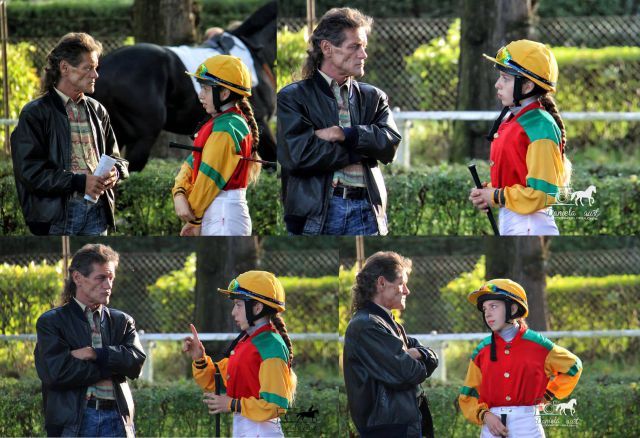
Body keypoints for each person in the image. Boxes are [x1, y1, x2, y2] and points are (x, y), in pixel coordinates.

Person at [277, 8, 401, 236]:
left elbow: (389, 145)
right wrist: (362, 149)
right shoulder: (292, 97)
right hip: (316, 214)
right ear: (327, 48)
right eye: (354, 46)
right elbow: (298, 156)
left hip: (368, 211)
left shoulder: (374, 97)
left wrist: (343, 134)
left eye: (364, 46)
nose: (363, 54)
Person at [11, 32, 128, 236]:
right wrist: (79, 182)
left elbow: (118, 159)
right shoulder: (35, 113)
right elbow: (30, 172)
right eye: (88, 68)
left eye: (96, 68)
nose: (95, 75)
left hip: (98, 213)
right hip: (58, 217)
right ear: (64, 68)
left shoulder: (98, 110)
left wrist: (115, 173)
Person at [34, 244, 146, 437]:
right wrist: (111, 366)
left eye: (111, 278)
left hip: (118, 420)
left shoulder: (123, 321)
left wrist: (95, 353)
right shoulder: (51, 322)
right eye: (101, 278)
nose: (108, 286)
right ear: (77, 277)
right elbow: (55, 373)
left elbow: (135, 362)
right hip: (73, 422)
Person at [469, 40, 571, 236]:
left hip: (530, 225)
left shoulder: (540, 125)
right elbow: (518, 178)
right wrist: (487, 192)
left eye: (505, 78)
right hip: (518, 221)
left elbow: (543, 194)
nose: (497, 84)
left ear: (527, 86)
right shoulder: (516, 119)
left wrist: (497, 196)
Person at [459, 279, 582, 437]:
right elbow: (467, 395)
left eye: (493, 306)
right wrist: (485, 415)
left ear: (513, 308)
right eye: (484, 308)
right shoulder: (481, 350)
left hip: (528, 425)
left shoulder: (539, 345)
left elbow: (574, 366)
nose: (487, 313)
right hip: (491, 427)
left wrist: (549, 394)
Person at [182, 271, 296, 437]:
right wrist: (199, 358)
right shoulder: (246, 342)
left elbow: (275, 405)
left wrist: (232, 404)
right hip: (247, 428)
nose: (233, 312)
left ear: (257, 308)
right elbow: (218, 381)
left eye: (239, 305)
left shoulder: (271, 346)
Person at [343, 251, 439, 437]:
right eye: (401, 284)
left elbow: (429, 357)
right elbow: (408, 373)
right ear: (381, 283)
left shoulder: (387, 323)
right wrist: (416, 358)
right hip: (388, 430)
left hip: (400, 427)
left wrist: (419, 354)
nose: (406, 291)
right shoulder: (367, 325)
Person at [172, 55, 262, 236]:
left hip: (223, 215)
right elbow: (191, 163)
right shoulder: (222, 122)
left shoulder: (227, 127)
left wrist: (193, 217)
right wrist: (179, 191)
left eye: (205, 88)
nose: (200, 95)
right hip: (218, 212)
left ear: (224, 93)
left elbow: (209, 177)